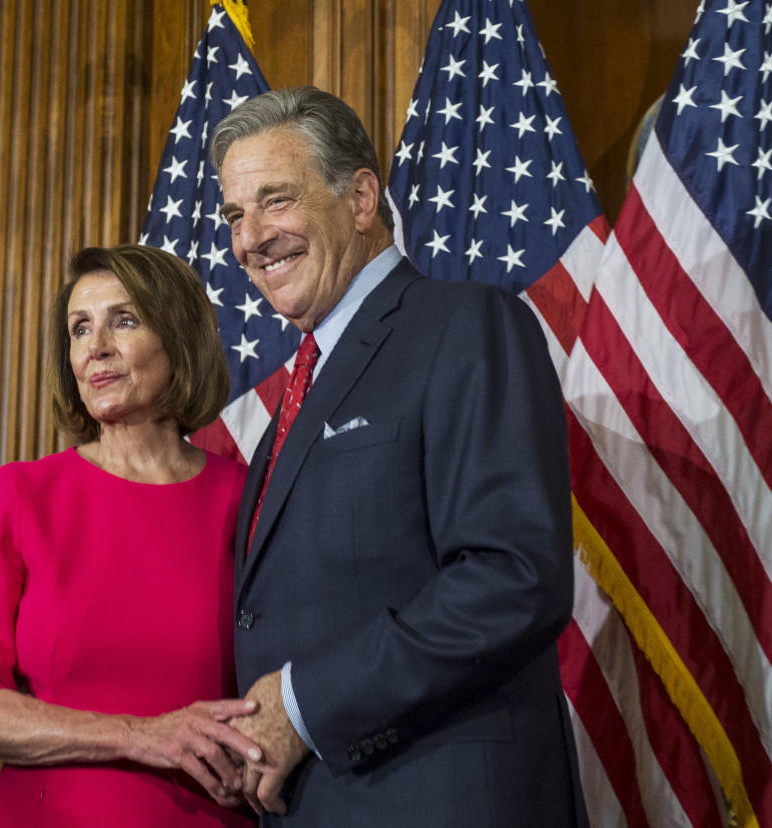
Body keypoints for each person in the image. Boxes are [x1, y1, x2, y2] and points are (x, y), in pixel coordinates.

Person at [210, 87, 588, 826]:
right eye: (233, 214)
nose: (250, 237)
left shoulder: (466, 326)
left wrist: (302, 704)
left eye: (275, 200)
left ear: (360, 199)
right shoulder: (295, 393)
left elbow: (512, 577)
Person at [0, 245, 259, 827]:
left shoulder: (250, 499)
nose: (96, 348)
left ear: (179, 339)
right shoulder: (21, 497)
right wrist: (143, 736)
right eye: (79, 328)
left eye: (125, 320)